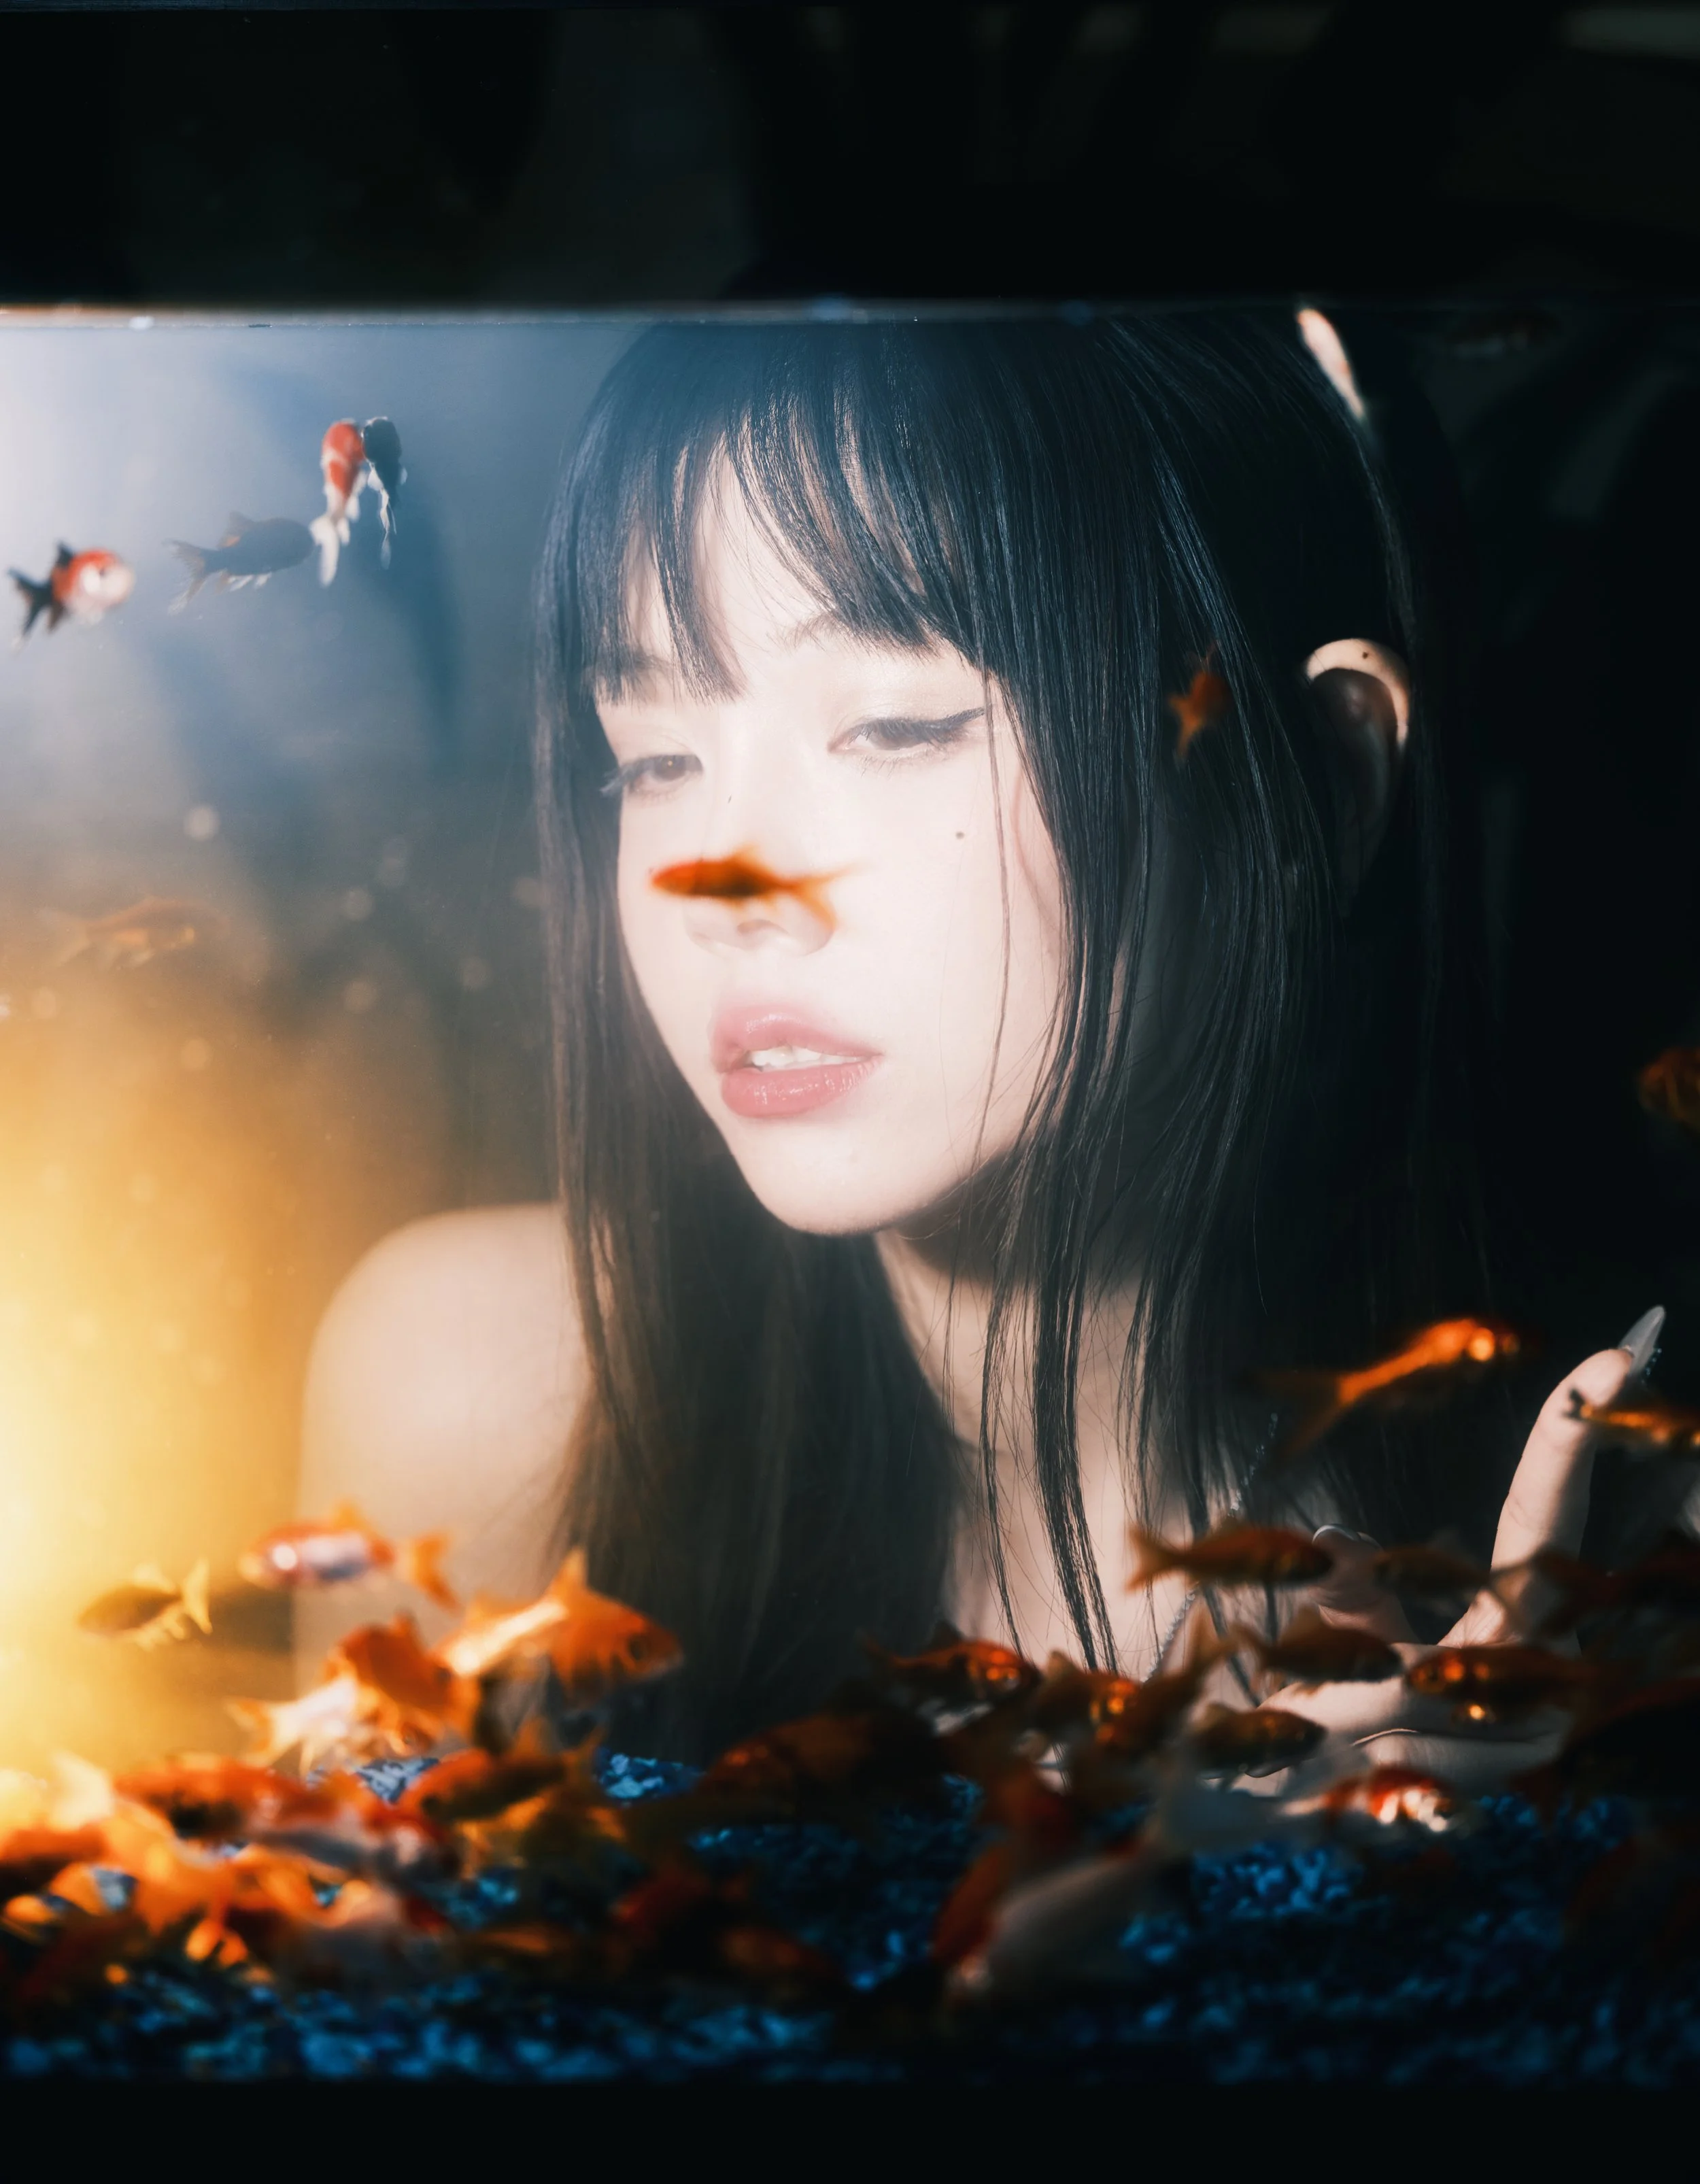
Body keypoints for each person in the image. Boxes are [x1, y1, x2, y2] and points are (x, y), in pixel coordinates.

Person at [299, 310, 1654, 1779]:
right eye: (654, 757)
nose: (720, 885)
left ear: (1315, 779)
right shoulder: (480, 1396)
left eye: (893, 728)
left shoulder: (1623, 1532)